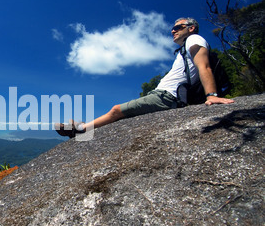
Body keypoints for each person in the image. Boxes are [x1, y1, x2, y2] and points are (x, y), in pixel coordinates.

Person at [56, 17, 235, 138]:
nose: (173, 31)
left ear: (191, 28)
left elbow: (204, 66)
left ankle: (80, 130)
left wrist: (211, 94)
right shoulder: (185, 47)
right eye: (172, 29)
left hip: (167, 97)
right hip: (163, 95)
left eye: (177, 28)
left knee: (116, 110)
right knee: (121, 115)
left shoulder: (194, 40)